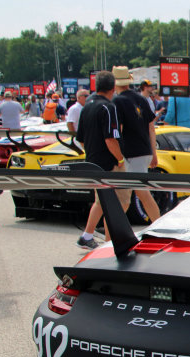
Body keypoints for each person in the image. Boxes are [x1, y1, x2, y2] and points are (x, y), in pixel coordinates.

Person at [74, 70, 126, 250]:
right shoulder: (108, 107)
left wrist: (91, 151)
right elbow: (110, 139)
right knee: (121, 200)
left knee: (101, 201)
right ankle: (111, 240)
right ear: (113, 88)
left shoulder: (87, 106)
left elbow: (79, 138)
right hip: (108, 162)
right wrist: (120, 159)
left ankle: (87, 236)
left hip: (92, 160)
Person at [111, 66, 160, 224]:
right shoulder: (141, 98)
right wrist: (153, 152)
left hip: (130, 152)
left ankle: (159, 224)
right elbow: (151, 126)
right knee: (135, 193)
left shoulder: (118, 101)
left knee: (136, 194)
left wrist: (117, 154)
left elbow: (119, 130)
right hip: (144, 149)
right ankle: (113, 227)